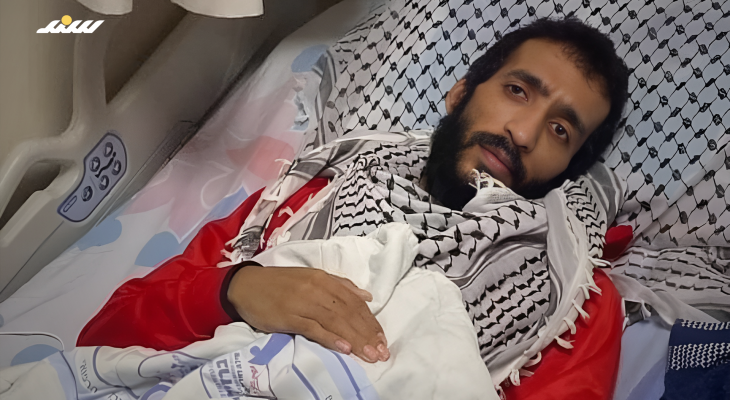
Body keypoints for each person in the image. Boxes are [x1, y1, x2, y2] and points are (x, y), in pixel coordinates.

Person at [78, 17, 629, 369]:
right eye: (517, 90)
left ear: (567, 171)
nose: (525, 133)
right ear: (460, 93)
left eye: (561, 130)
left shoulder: (570, 305)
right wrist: (236, 290)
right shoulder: (311, 195)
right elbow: (107, 333)